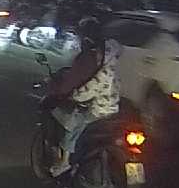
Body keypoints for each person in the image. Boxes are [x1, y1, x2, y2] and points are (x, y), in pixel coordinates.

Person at [46, 17, 122, 177]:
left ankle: (65, 162)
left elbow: (85, 88)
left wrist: (70, 95)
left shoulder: (91, 60)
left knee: (70, 125)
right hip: (113, 106)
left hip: (98, 109)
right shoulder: (110, 61)